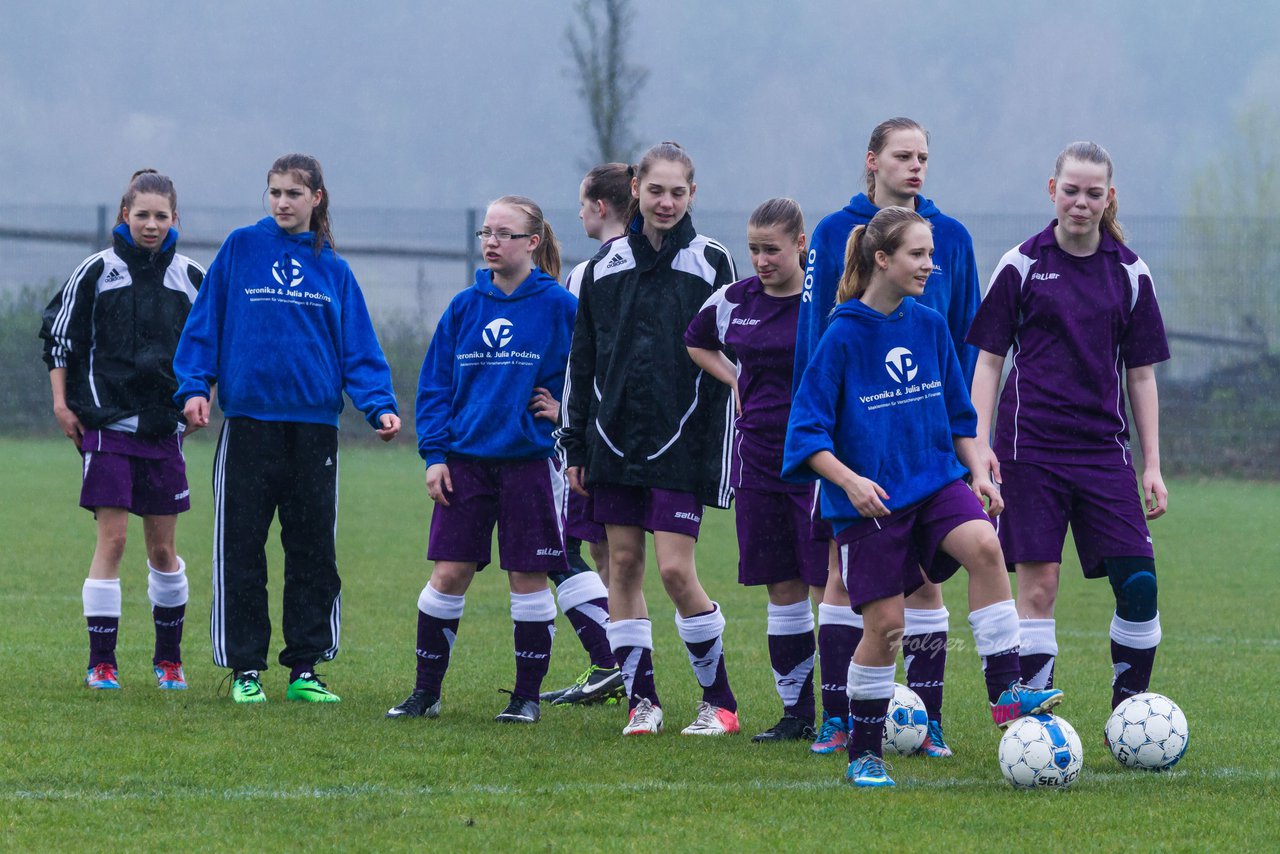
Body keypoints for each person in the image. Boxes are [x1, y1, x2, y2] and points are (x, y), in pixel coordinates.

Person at [783, 205, 1064, 788]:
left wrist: (980, 474)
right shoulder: (841, 335)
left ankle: (1006, 693)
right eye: (918, 255)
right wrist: (850, 481)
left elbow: (961, 419)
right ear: (881, 259)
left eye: (932, 255)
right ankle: (865, 751)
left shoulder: (931, 324)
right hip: (872, 503)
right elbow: (805, 436)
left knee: (987, 545)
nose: (930, 266)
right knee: (886, 627)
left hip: (935, 481)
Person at [173, 153, 401, 704]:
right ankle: (246, 668)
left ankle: (305, 668)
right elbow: (204, 327)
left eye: (293, 194)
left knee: (313, 553)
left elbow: (359, 349)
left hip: (315, 433)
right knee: (242, 549)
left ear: (316, 198)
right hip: (249, 426)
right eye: (274, 192)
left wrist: (379, 405)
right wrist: (194, 388)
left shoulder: (334, 269)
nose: (282, 203)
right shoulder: (241, 249)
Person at [795, 117, 980, 758]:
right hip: (856, 442)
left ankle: (927, 721)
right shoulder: (830, 231)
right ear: (872, 161)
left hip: (924, 439)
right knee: (842, 581)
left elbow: (964, 339)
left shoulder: (950, 236)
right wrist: (820, 455)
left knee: (926, 585)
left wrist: (967, 447)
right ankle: (839, 718)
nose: (916, 166)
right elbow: (816, 338)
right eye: (903, 155)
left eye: (924, 156)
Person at [967, 141, 1170, 710]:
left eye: (1094, 193)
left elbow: (1142, 376)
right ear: (1052, 191)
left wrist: (1151, 463)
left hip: (1104, 452)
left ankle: (1131, 711)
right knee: (1038, 586)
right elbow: (988, 360)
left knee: (1139, 583)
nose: (1082, 203)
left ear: (1109, 198)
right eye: (1072, 191)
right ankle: (1032, 711)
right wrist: (980, 447)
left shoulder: (1130, 272)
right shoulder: (1022, 265)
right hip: (1028, 449)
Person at [558, 141, 740, 736]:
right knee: (624, 568)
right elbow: (581, 361)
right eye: (655, 190)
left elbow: (729, 364)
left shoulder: (712, 262)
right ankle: (644, 701)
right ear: (634, 187)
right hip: (611, 444)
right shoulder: (600, 269)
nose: (665, 202)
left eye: (677, 192)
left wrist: (717, 453)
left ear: (693, 194)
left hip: (679, 448)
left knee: (675, 572)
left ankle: (721, 702)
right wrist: (576, 446)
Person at [385, 195, 576, 724]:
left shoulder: (560, 305)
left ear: (532, 243)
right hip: (464, 463)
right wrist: (435, 455)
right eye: (486, 233)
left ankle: (526, 699)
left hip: (530, 463)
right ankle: (425, 694)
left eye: (504, 234)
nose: (491, 242)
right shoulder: (464, 307)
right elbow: (435, 387)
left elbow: (593, 370)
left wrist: (567, 409)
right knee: (448, 575)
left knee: (527, 577)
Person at [40, 169, 203, 691]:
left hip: (163, 430)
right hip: (107, 426)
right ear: (123, 216)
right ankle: (101, 663)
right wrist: (63, 404)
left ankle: (169, 661)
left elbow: (210, 349)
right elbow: (59, 339)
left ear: (175, 219)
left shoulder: (192, 277)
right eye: (142, 215)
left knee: (162, 551)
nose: (151, 225)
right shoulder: (96, 270)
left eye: (161, 216)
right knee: (112, 539)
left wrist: (202, 400)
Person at [685, 198, 827, 742]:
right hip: (758, 461)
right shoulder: (734, 300)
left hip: (818, 464)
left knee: (826, 587)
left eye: (772, 249)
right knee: (782, 587)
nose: (762, 260)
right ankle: (796, 714)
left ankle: (839, 713)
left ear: (801, 247)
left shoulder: (825, 301)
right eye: (754, 250)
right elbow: (696, 341)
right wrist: (735, 379)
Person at [536, 163, 633, 707]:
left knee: (580, 551)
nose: (577, 213)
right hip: (632, 436)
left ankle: (616, 662)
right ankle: (614, 664)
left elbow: (580, 358)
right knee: (607, 554)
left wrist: (564, 413)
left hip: (592, 443)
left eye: (581, 203)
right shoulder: (647, 263)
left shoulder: (590, 274)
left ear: (599, 207)